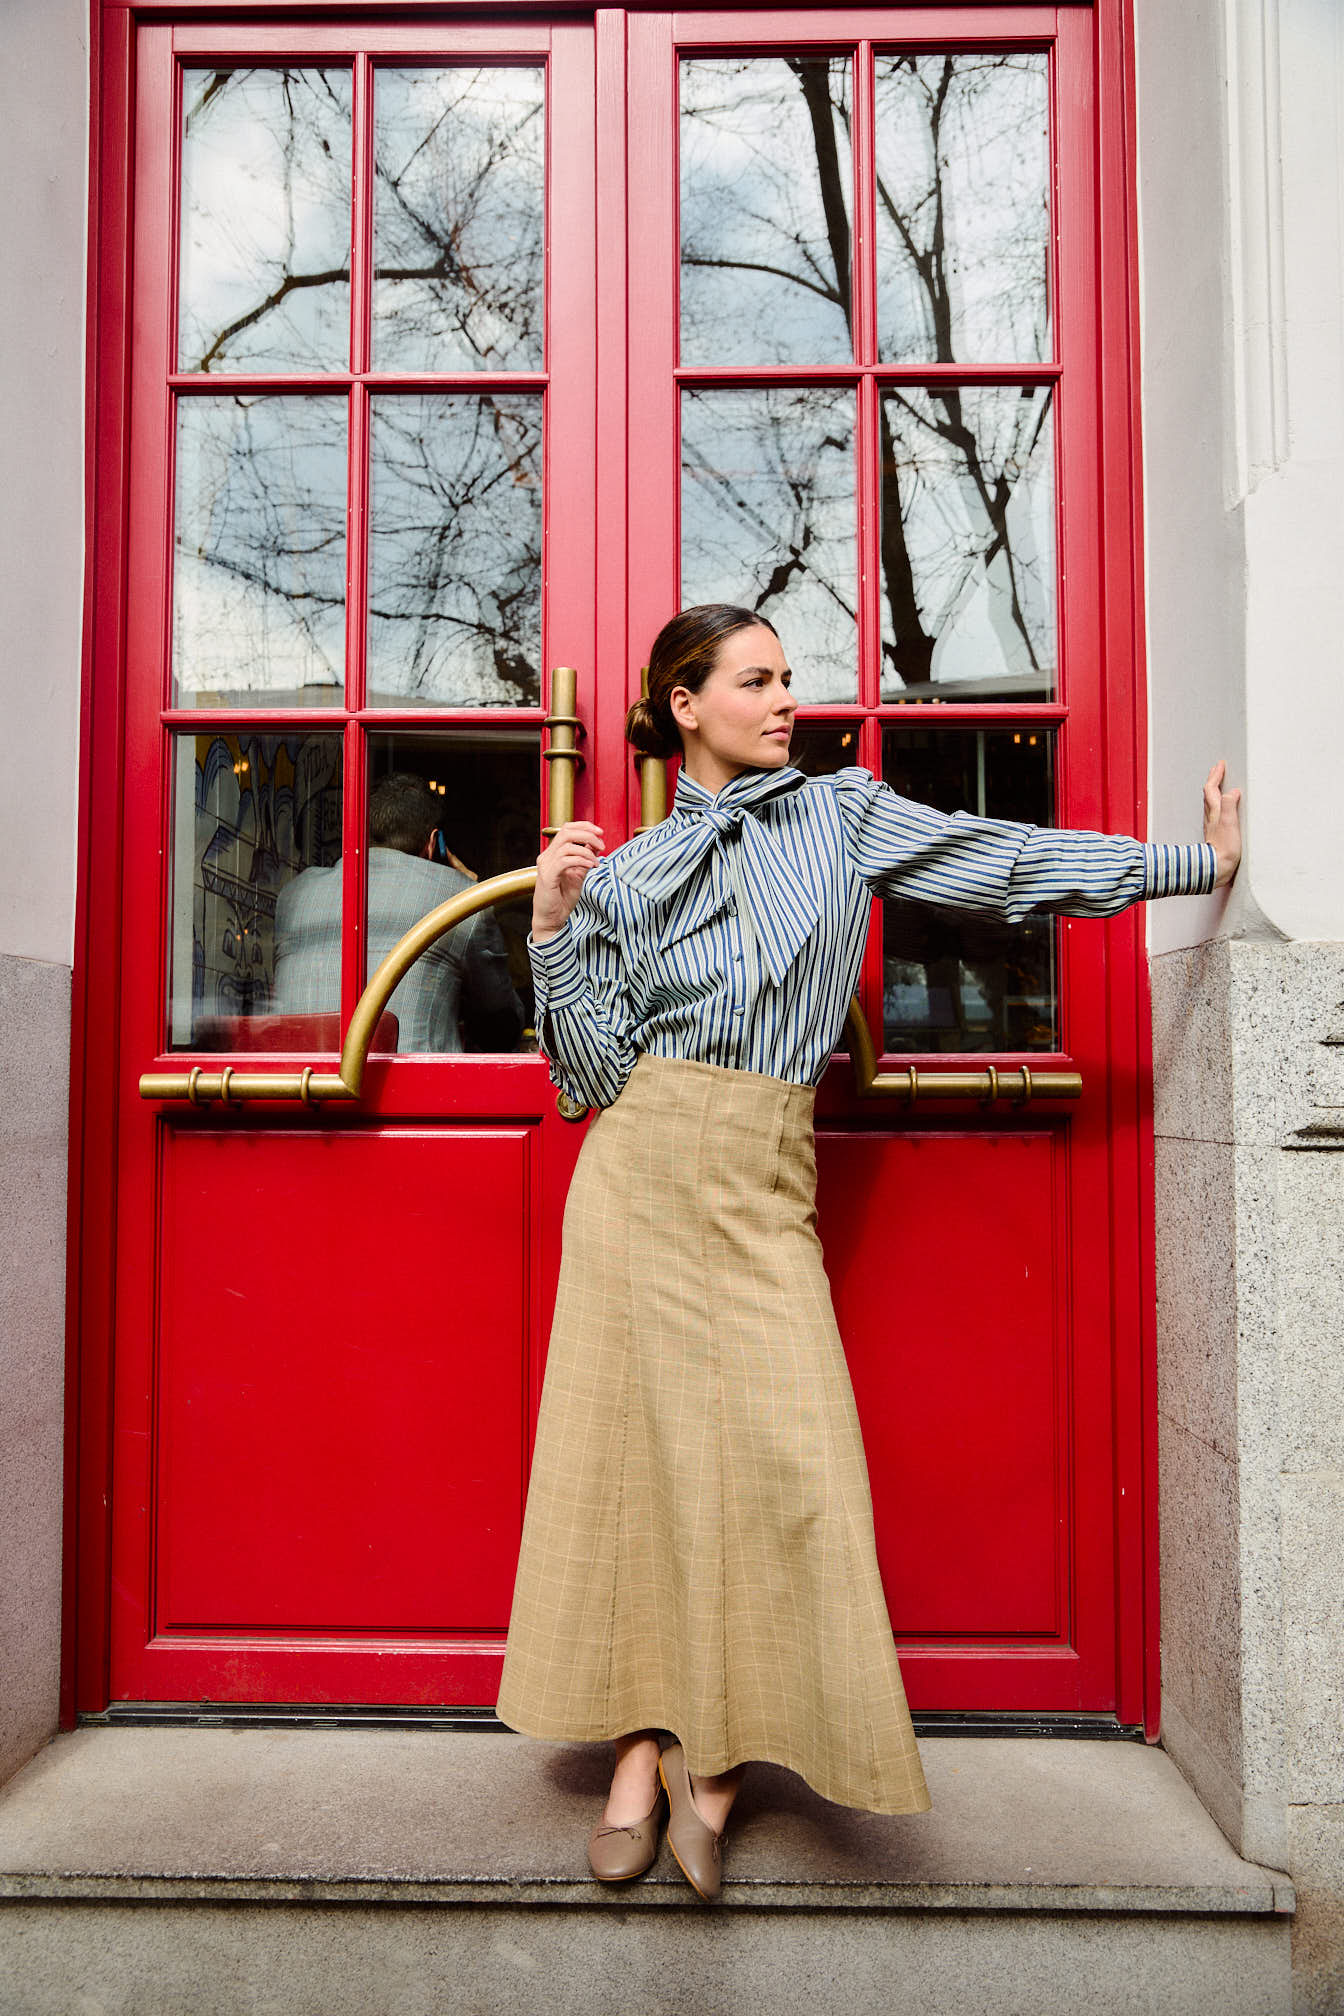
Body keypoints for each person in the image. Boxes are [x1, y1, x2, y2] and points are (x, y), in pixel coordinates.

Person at [494, 604, 1242, 1903]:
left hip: (762, 1169)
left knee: (790, 1459)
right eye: (756, 679)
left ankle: (721, 1761)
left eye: (789, 678)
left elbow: (1002, 863)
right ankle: (640, 1749)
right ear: (684, 704)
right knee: (636, 1467)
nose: (788, 699)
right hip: (638, 1176)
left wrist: (1190, 866)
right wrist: (556, 926)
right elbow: (586, 1079)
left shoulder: (844, 815)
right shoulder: (622, 874)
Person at [273, 772, 524, 1054]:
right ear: (433, 843)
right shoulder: (461, 900)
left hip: (299, 1083)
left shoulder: (295, 894)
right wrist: (472, 893)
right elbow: (500, 1028)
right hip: (411, 1090)